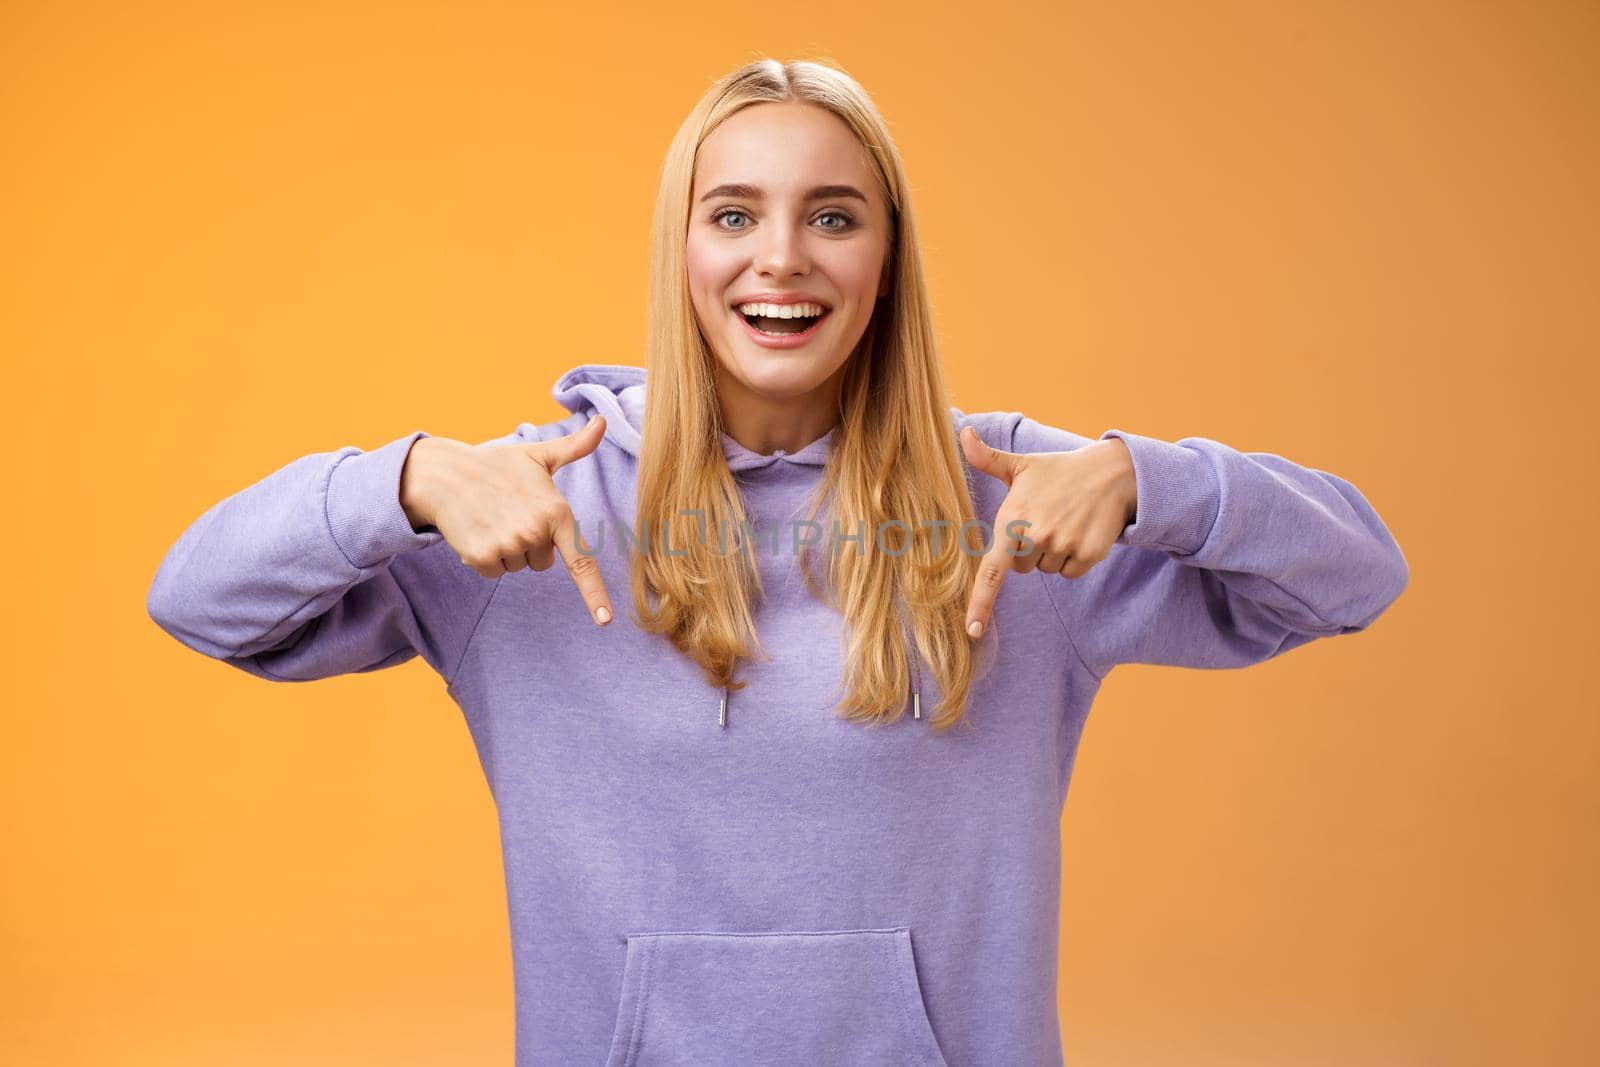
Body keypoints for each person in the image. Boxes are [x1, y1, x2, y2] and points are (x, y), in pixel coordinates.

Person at [146, 58, 1409, 1067]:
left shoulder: (1016, 501)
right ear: (681, 249)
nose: (783, 257)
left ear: (885, 259)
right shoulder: (531, 505)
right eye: (735, 212)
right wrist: (401, 480)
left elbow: (1354, 574)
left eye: (834, 216)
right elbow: (198, 601)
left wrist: (1154, 478)